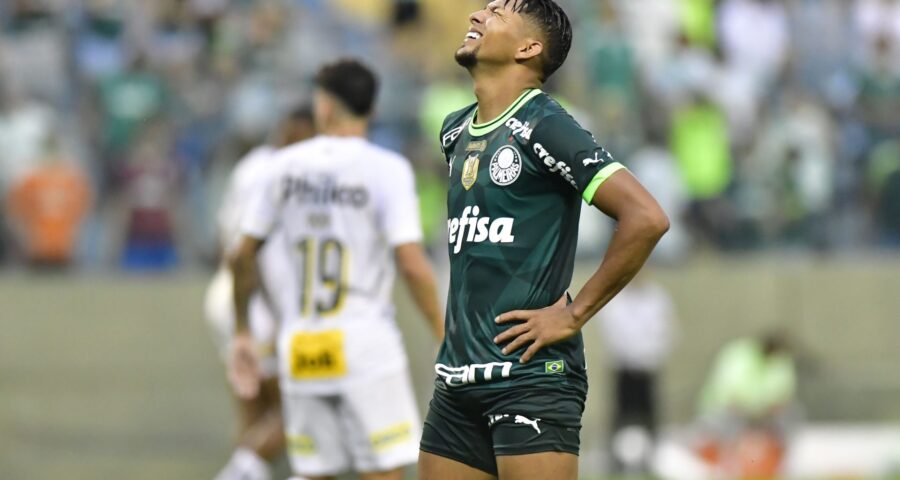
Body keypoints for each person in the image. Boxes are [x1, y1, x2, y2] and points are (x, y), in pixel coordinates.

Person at [418, 2, 670, 480]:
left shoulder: (543, 124)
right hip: (457, 380)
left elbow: (646, 217)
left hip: (530, 379)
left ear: (528, 48)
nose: (477, 14)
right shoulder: (454, 129)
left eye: (496, 13)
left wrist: (574, 314)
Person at [229, 59, 444, 480]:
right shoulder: (387, 169)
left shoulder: (282, 167)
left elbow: (241, 255)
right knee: (383, 469)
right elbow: (411, 263)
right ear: (373, 110)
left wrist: (241, 331)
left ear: (324, 107)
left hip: (303, 346)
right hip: (364, 342)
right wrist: (442, 331)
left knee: (313, 471)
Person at [207, 107, 316, 480]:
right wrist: (267, 313)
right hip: (255, 298)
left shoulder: (251, 166)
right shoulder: (280, 172)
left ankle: (251, 465)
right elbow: (245, 251)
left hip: (232, 292)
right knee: (302, 405)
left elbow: (227, 238)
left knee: (255, 410)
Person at [597, 274, 677, 475]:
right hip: (623, 367)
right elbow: (612, 331)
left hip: (648, 367)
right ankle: (616, 462)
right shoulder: (616, 299)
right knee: (621, 415)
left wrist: (652, 354)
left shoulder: (657, 296)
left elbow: (667, 329)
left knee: (650, 415)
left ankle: (651, 459)